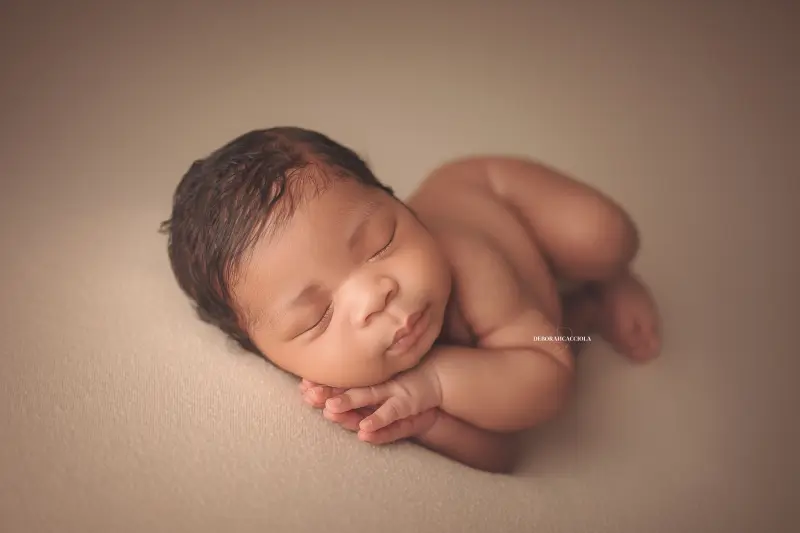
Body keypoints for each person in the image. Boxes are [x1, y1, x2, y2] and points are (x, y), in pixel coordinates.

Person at [160, 127, 661, 474]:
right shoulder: (353, 379)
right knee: (555, 326)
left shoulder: (466, 260)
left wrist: (433, 383)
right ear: (269, 356)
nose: (374, 296)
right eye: (316, 318)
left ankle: (610, 278)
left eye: (381, 242)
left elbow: (550, 374)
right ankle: (580, 308)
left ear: (396, 200)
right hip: (529, 326)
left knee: (602, 236)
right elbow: (506, 452)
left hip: (498, 196)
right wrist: (429, 421)